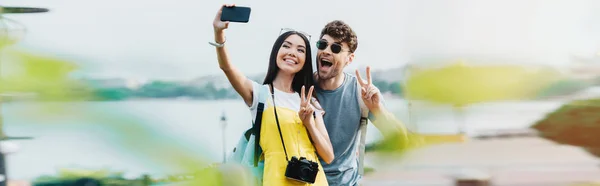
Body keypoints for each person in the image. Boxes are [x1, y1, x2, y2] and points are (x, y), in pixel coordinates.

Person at [212, 4, 334, 186]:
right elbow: (226, 67)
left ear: (305, 61)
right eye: (287, 46)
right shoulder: (259, 94)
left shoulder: (311, 101)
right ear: (276, 52)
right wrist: (218, 32)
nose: (292, 52)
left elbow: (328, 156)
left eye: (301, 50)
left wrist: (309, 123)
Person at [313, 20, 410, 186]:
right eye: (322, 45)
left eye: (335, 48)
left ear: (349, 59)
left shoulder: (361, 93)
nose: (326, 51)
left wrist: (377, 109)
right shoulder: (302, 87)